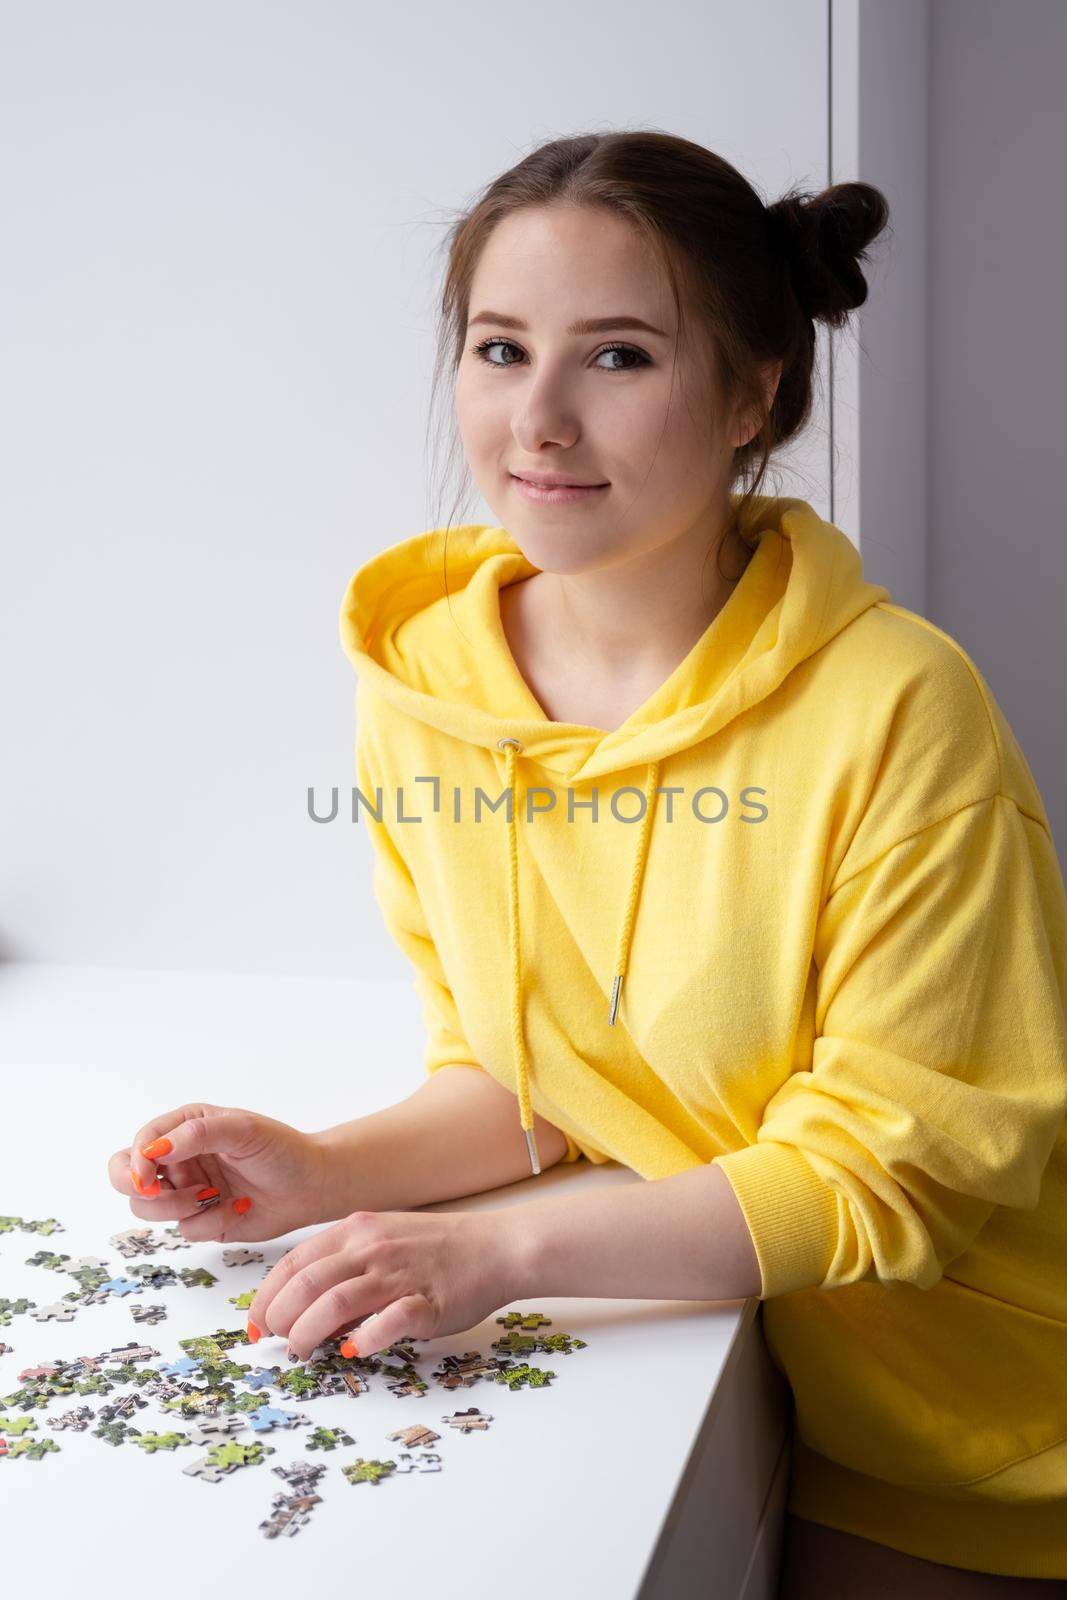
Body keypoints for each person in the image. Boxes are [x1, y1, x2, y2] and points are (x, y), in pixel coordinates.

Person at [107, 131, 1067, 1594]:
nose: (537, 420)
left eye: (616, 357)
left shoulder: (898, 711)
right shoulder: (425, 685)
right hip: (739, 1366)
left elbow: (896, 1177)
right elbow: (541, 1076)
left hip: (986, 1427)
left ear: (756, 393)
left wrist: (500, 1262)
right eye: (500, 349)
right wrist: (327, 1169)